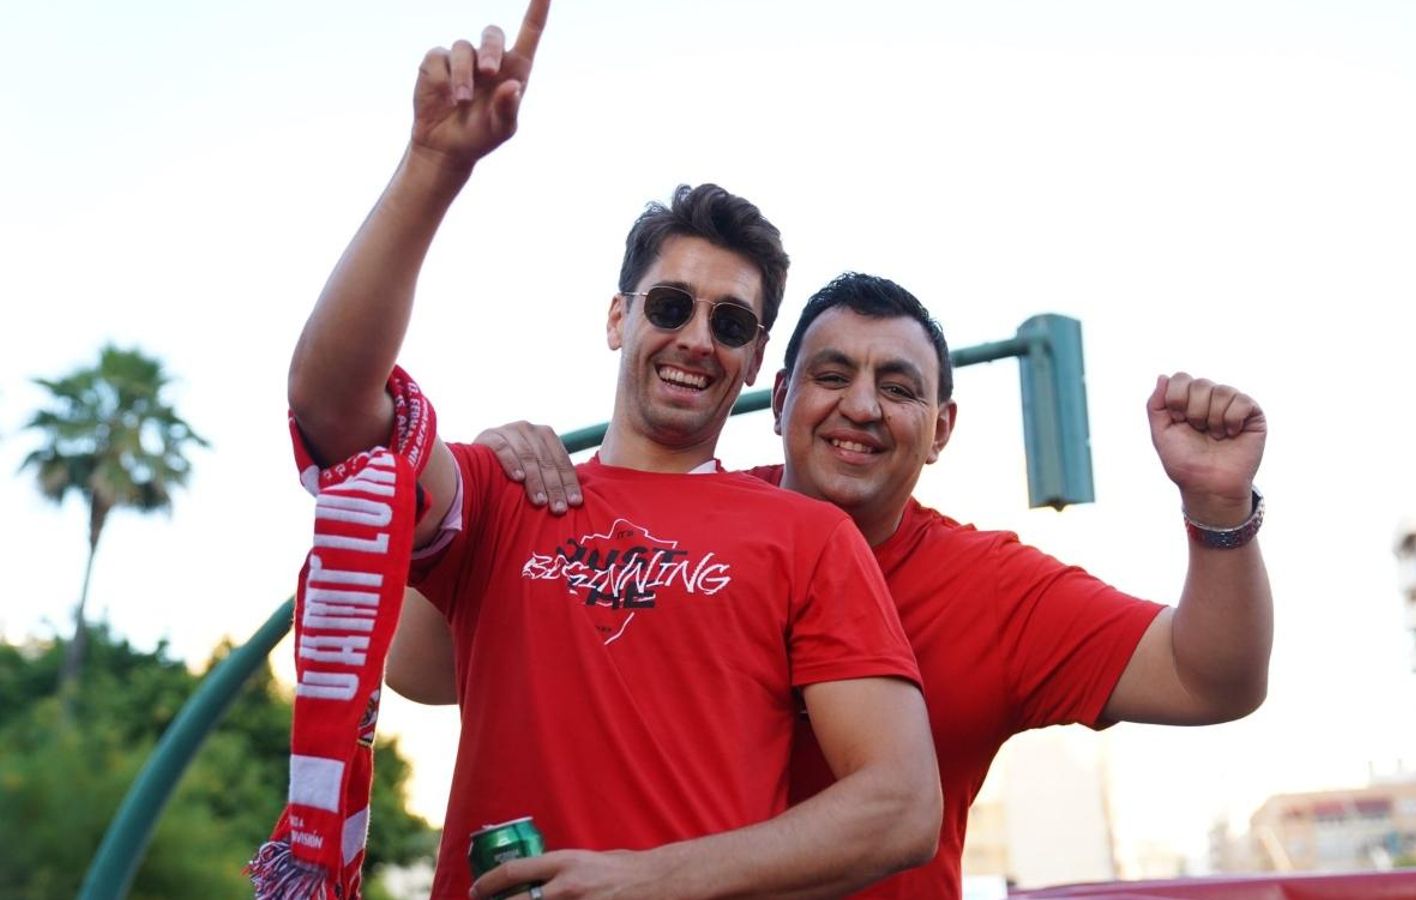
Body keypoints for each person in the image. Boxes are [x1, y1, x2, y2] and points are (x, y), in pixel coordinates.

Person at [286, 2, 942, 895]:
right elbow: (331, 405)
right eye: (670, 306)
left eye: (732, 322)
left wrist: (651, 879)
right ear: (617, 318)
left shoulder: (810, 540)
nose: (697, 340)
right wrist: (434, 166)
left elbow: (901, 805)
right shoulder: (508, 491)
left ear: (754, 359)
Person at [418, 272, 1275, 898]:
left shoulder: (994, 588)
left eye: (898, 389)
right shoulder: (660, 528)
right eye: (831, 376)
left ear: (940, 430)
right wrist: (487, 499)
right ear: (780, 394)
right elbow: (428, 672)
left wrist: (1217, 504)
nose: (860, 407)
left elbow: (1213, 679)